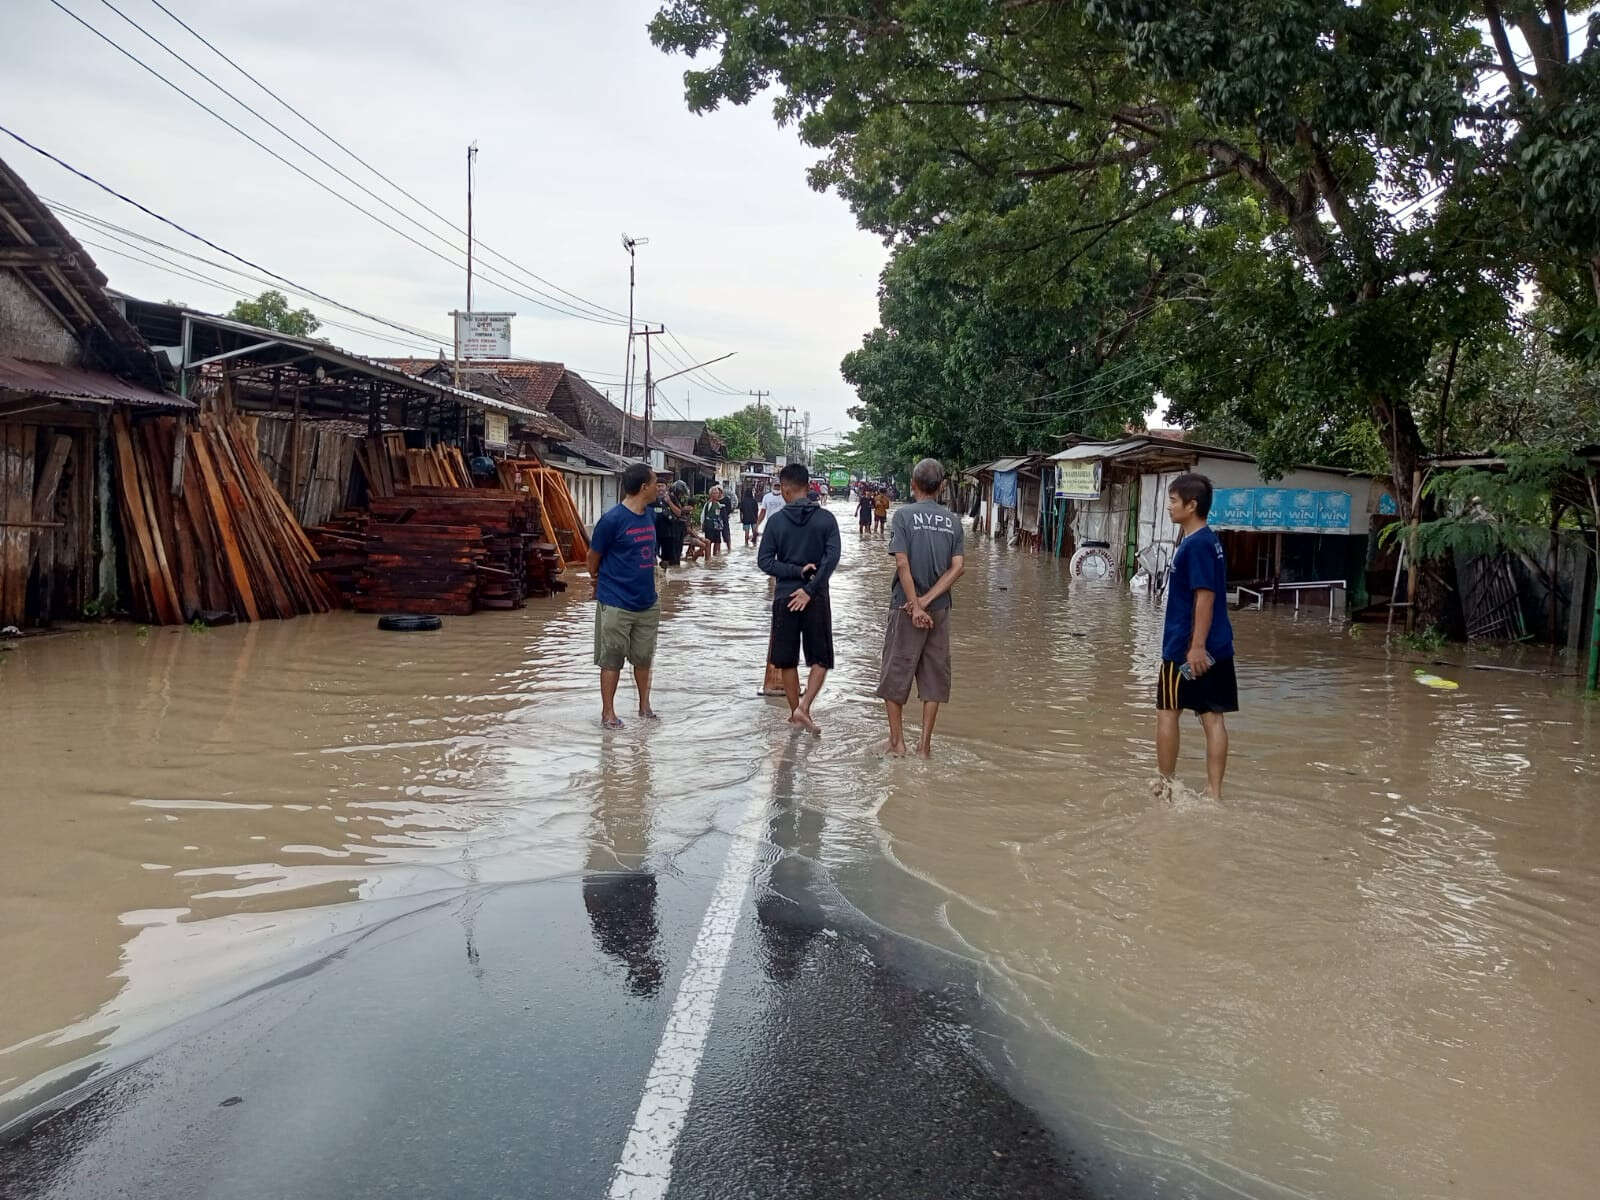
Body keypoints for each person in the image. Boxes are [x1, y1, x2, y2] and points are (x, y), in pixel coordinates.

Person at [1156, 472, 1237, 800]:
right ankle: (1214, 793)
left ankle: (1166, 785)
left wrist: (1195, 647)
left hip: (1187, 647)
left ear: (1192, 505)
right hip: (1216, 644)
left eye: (1174, 501)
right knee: (1211, 717)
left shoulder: (1197, 545)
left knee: (1167, 712)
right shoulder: (1208, 541)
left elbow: (1205, 596)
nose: (1169, 507)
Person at [876, 458, 965, 757]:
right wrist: (927, 602)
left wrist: (914, 605)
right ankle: (924, 747)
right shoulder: (953, 521)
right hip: (939, 610)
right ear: (941, 487)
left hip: (904, 608)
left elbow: (902, 564)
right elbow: (958, 568)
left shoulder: (903, 516)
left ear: (912, 485)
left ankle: (897, 743)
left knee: (895, 674)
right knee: (934, 678)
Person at [757, 461, 841, 733]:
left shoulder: (776, 521)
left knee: (786, 660)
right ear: (809, 487)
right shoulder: (826, 519)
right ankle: (804, 708)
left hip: (785, 597)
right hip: (816, 597)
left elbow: (765, 562)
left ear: (784, 489)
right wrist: (811, 588)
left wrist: (794, 572)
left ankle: (797, 712)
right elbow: (832, 559)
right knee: (821, 659)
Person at [587, 462, 662, 729]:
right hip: (616, 602)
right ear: (643, 487)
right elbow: (592, 559)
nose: (658, 487)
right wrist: (598, 583)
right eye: (655, 483)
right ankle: (608, 714)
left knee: (644, 658)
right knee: (612, 659)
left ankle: (644, 707)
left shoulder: (650, 516)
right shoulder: (612, 520)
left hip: (647, 602)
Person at [700, 486, 725, 560]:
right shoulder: (708, 504)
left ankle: (715, 558)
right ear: (711, 494)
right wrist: (702, 524)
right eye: (714, 493)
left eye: (717, 493)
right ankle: (708, 558)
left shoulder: (718, 504)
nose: (717, 494)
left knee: (717, 542)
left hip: (717, 527)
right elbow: (703, 514)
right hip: (709, 526)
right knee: (709, 542)